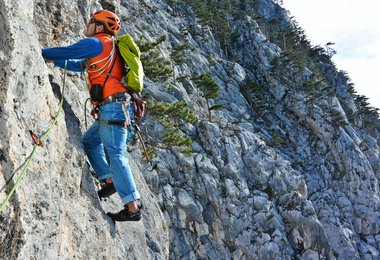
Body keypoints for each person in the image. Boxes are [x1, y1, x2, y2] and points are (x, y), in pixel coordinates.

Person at [41, 10, 142, 222]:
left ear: (99, 26)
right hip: (114, 107)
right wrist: (55, 62)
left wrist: (38, 51)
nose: (87, 24)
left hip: (114, 107)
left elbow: (69, 51)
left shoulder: (97, 43)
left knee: (116, 153)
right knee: (90, 141)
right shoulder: (107, 48)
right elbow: (81, 65)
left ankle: (132, 207)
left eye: (91, 21)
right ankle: (108, 180)